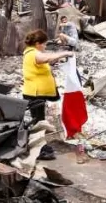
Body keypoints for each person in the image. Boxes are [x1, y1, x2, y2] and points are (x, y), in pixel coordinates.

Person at [22, 29, 73, 159]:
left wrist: (57, 60)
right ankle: (38, 149)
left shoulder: (35, 53)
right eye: (44, 44)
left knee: (40, 121)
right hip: (35, 94)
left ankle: (40, 145)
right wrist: (65, 53)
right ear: (38, 43)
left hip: (38, 94)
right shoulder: (32, 53)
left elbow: (46, 61)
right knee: (38, 123)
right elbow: (45, 58)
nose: (45, 47)